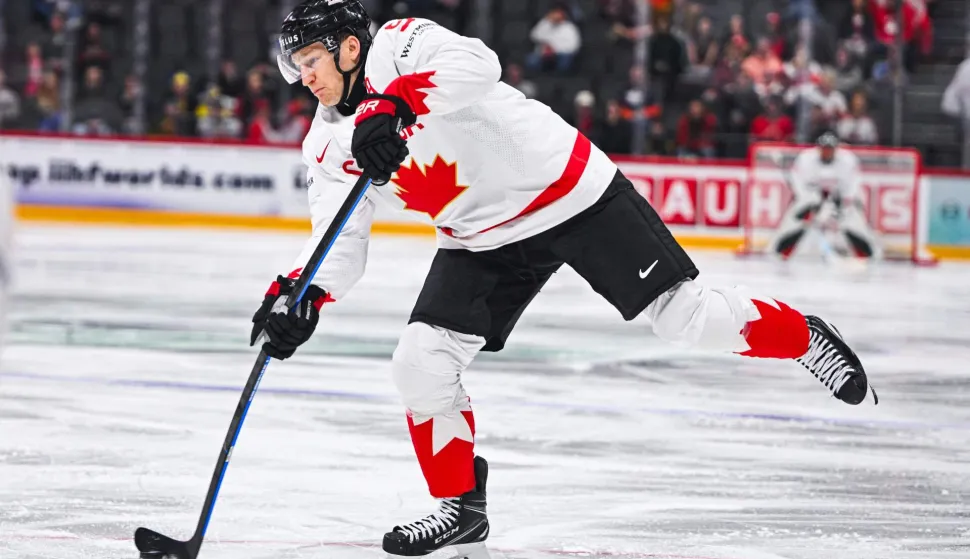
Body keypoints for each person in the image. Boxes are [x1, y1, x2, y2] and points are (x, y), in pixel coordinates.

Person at [260, 2, 878, 557]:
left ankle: (803, 337)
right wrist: (303, 292)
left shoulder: (399, 43)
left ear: (347, 47)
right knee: (419, 363)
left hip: (569, 191)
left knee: (683, 319)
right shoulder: (324, 143)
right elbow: (338, 239)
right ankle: (460, 507)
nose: (306, 78)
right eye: (297, 68)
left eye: (312, 60)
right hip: (481, 237)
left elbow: (480, 64)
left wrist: (395, 103)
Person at [766, 133, 878, 260]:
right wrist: (811, 203)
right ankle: (778, 251)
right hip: (811, 198)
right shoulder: (806, 158)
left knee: (853, 222)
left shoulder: (847, 160)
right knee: (794, 221)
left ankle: (868, 253)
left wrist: (843, 201)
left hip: (839, 198)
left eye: (830, 149)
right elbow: (799, 184)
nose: (827, 152)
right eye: (824, 148)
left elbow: (853, 184)